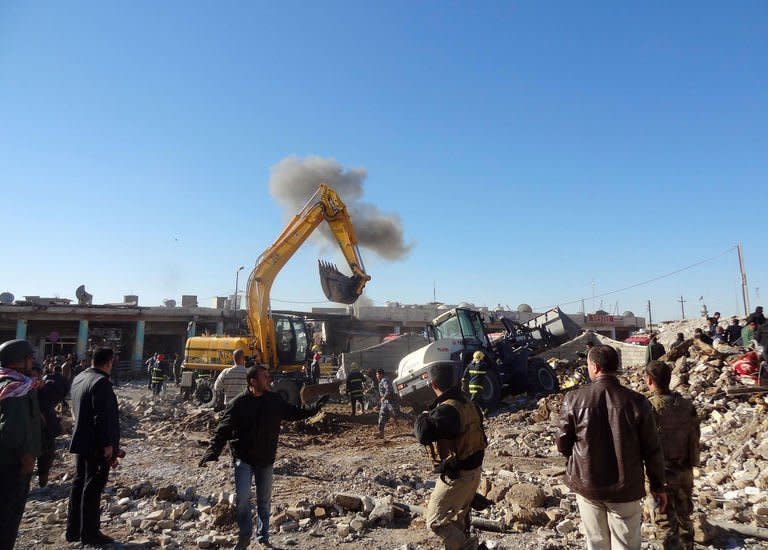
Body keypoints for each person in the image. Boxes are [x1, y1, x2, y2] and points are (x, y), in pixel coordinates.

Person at [199, 365, 328, 549]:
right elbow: (223, 429)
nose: (269, 380)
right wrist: (212, 451)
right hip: (243, 459)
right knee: (243, 499)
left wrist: (314, 408)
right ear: (253, 382)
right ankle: (244, 535)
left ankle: (263, 536)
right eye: (265, 377)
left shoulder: (274, 400)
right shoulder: (239, 403)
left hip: (266, 459)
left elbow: (293, 412)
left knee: (264, 502)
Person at [556, 345, 667, 550]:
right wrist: (657, 486)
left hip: (588, 485)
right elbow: (652, 449)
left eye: (588, 364)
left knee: (596, 543)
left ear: (595, 367)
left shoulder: (573, 399)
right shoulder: (637, 401)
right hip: (626, 488)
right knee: (626, 545)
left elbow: (563, 443)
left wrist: (577, 462)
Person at [415, 363, 487, 550]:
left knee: (436, 522)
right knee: (457, 519)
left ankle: (469, 547)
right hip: (474, 471)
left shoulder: (447, 410)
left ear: (433, 385)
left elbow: (423, 435)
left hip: (458, 476)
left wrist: (422, 416)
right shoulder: (468, 402)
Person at [66, 347, 121, 546]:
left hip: (81, 441)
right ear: (108, 362)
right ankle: (90, 533)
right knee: (92, 487)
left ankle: (73, 530)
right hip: (97, 445)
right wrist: (108, 445)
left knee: (79, 483)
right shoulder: (101, 383)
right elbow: (102, 417)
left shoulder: (80, 378)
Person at [645, 361, 700, 550]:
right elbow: (694, 438)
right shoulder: (686, 405)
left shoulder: (649, 408)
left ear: (649, 381)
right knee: (685, 517)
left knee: (665, 523)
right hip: (684, 471)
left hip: (661, 476)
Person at [0, 339, 41, 550]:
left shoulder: (7, 383)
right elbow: (13, 429)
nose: (32, 362)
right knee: (8, 516)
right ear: (19, 361)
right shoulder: (17, 389)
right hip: (12, 465)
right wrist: (26, 457)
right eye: (30, 358)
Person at [34, 364, 67, 487]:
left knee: (46, 458)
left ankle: (42, 483)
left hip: (45, 432)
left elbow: (58, 394)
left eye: (36, 376)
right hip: (29, 433)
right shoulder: (18, 390)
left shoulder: (45, 389)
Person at [375, 369, 409, 438]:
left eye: (377, 374)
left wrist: (384, 397)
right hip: (385, 403)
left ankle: (411, 418)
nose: (377, 376)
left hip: (391, 401)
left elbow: (389, 389)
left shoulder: (385, 380)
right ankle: (381, 433)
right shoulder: (382, 381)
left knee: (397, 414)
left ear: (381, 374)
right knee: (382, 416)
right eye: (376, 374)